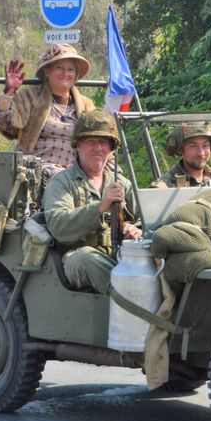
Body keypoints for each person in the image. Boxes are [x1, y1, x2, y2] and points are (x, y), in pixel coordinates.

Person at [42, 110, 142, 293]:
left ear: (111, 148)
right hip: (76, 259)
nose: (98, 148)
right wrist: (100, 207)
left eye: (104, 142)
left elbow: (145, 220)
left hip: (118, 255)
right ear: (77, 145)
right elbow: (59, 226)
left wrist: (135, 229)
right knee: (85, 258)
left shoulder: (121, 183)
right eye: (91, 142)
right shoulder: (63, 182)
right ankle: (130, 298)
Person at [0, 43, 95, 171]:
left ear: (76, 74)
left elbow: (98, 139)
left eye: (71, 69)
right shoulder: (30, 96)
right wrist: (9, 91)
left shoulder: (86, 105)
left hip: (74, 174)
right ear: (47, 71)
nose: (65, 73)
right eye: (59, 67)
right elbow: (5, 123)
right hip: (35, 172)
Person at [151, 121, 211, 188]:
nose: (201, 153)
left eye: (205, 145)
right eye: (193, 146)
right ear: (181, 149)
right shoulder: (164, 187)